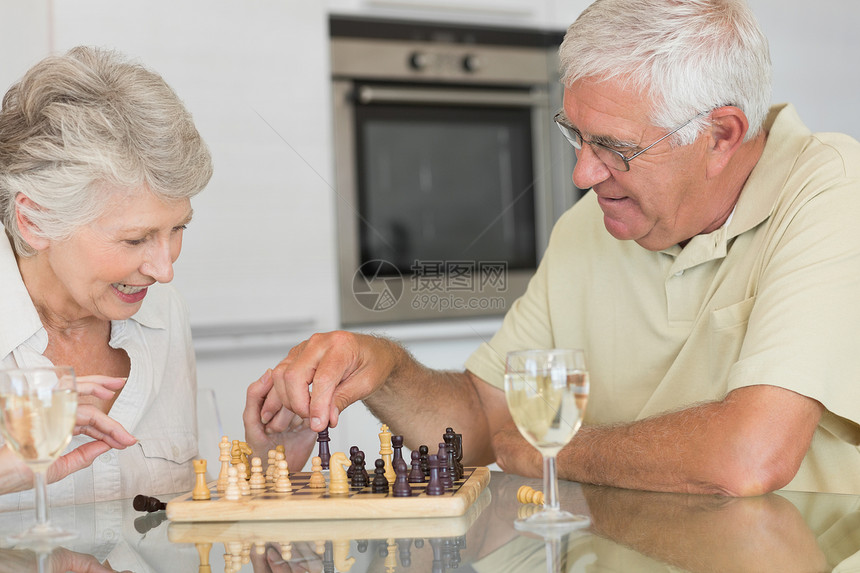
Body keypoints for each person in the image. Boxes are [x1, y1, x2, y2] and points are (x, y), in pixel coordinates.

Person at [254, 0, 860, 497]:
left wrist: (550, 448)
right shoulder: (586, 228)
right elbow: (486, 424)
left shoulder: (831, 190)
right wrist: (382, 367)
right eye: (573, 135)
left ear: (720, 135)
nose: (581, 175)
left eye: (613, 147)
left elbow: (750, 458)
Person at [0, 46, 214, 508]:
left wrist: (273, 458)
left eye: (178, 229)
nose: (165, 269)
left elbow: (174, 518)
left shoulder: (163, 313)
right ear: (34, 222)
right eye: (135, 240)